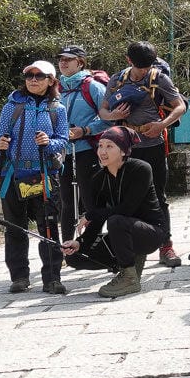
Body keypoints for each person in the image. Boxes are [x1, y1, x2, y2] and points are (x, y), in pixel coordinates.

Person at [99, 41, 188, 268]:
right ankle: (126, 251)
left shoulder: (160, 79)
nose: (144, 71)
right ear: (129, 61)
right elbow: (103, 111)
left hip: (153, 144)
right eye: (140, 67)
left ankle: (165, 246)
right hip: (125, 147)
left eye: (147, 66)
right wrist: (113, 116)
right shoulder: (117, 80)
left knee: (158, 196)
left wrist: (162, 124)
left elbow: (179, 106)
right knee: (123, 197)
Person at [62, 125, 169, 298]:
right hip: (122, 233)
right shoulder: (99, 178)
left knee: (116, 221)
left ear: (123, 151)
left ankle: (129, 278)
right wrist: (80, 242)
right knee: (75, 257)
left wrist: (90, 215)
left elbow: (127, 209)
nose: (102, 151)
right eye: (100, 146)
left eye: (109, 146)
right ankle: (127, 263)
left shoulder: (141, 169)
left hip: (150, 233)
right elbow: (97, 220)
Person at [0, 60, 69, 295]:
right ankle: (19, 277)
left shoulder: (57, 109)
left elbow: (63, 139)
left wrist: (49, 142)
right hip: (13, 174)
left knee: (48, 227)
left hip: (44, 174)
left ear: (51, 80)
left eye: (39, 76)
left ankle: (52, 279)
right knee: (15, 228)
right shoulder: (11, 106)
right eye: (29, 76)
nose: (33, 80)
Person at [55, 45, 111, 240]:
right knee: (66, 203)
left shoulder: (93, 87)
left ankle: (91, 244)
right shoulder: (56, 88)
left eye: (68, 59)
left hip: (87, 150)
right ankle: (67, 247)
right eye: (61, 59)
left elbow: (109, 119)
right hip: (63, 153)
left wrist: (86, 130)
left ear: (80, 63)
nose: (63, 62)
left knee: (90, 201)